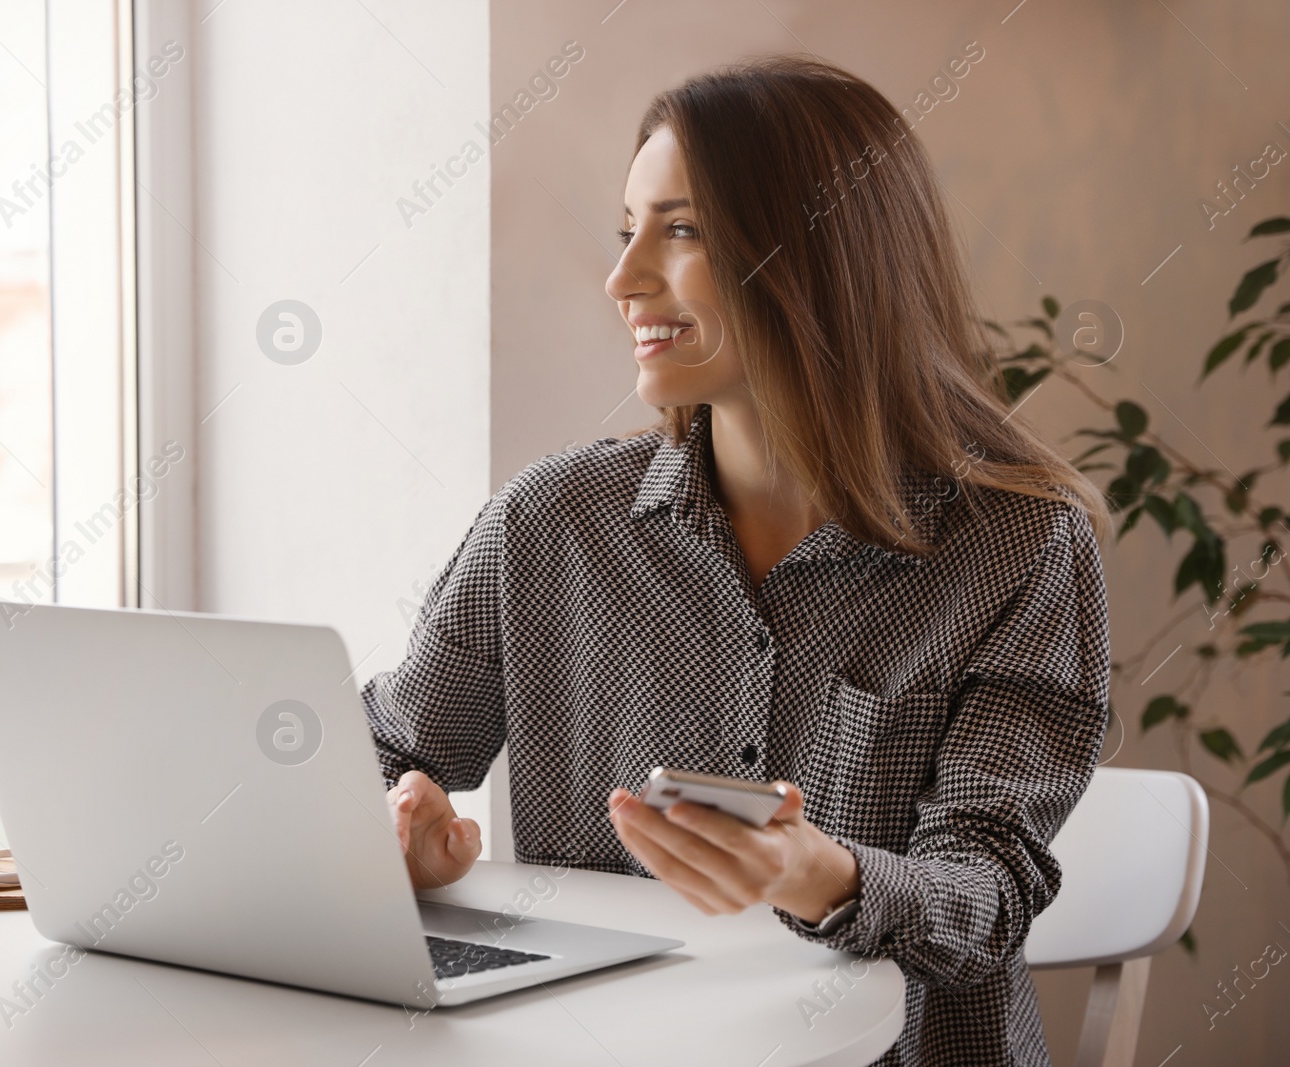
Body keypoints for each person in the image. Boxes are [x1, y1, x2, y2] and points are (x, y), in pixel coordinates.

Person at [362, 53, 1111, 1067]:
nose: (622, 280)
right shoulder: (550, 525)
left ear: (818, 252)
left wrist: (823, 874)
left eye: (680, 231)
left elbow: (985, 891)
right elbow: (385, 748)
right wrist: (393, 821)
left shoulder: (1018, 545)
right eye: (627, 233)